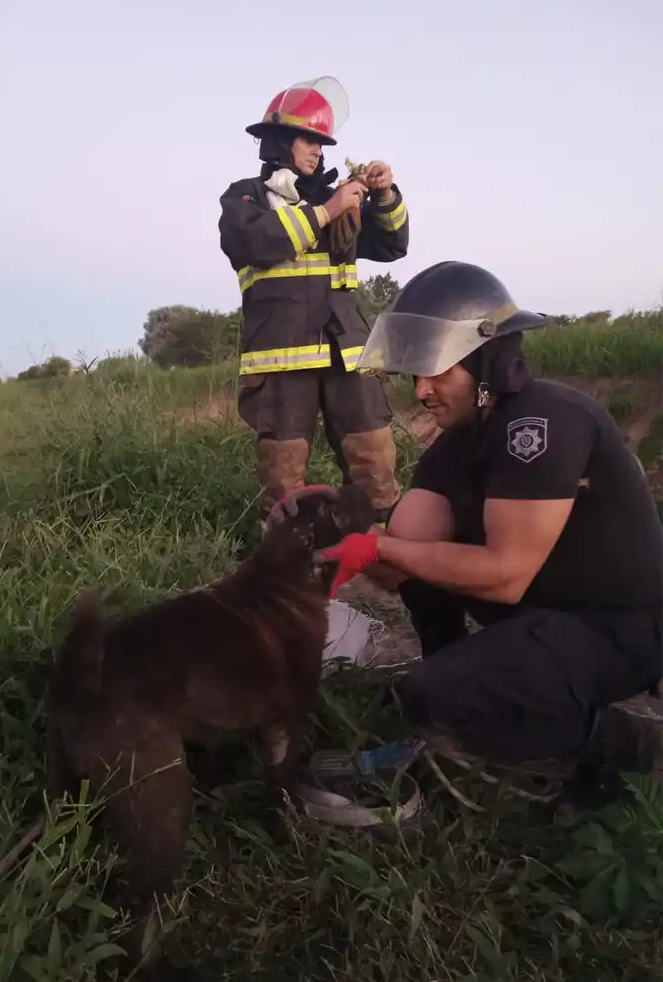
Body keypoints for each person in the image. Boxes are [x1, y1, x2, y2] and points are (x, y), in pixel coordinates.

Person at [279, 260, 663, 814]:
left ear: (487, 363)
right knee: (423, 599)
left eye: (438, 372)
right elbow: (406, 550)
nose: (423, 390)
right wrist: (338, 532)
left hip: (615, 628)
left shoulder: (541, 423)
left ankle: (621, 744)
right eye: (416, 375)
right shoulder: (456, 446)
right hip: (543, 615)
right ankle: (463, 679)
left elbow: (506, 576)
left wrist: (380, 548)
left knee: (437, 697)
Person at [218, 75, 410, 525]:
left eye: (323, 144)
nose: (319, 151)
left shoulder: (336, 197)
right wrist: (326, 211)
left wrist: (383, 196)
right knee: (283, 482)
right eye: (310, 140)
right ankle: (287, 577)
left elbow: (391, 247)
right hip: (281, 363)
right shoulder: (245, 198)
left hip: (348, 353)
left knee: (375, 464)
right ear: (281, 140)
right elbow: (252, 243)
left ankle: (382, 565)